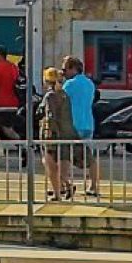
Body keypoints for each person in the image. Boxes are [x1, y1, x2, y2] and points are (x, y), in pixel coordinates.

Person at [62, 54, 101, 197]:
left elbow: (61, 100)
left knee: (64, 155)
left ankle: (62, 185)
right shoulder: (90, 83)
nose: (63, 73)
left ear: (73, 69)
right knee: (89, 157)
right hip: (88, 123)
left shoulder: (69, 85)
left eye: (65, 69)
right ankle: (94, 186)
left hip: (73, 124)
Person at [39, 65, 76, 201]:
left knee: (49, 164)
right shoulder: (63, 94)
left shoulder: (50, 96)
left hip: (52, 134)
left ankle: (58, 193)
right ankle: (65, 185)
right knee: (55, 164)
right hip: (64, 133)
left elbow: (50, 116)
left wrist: (48, 134)